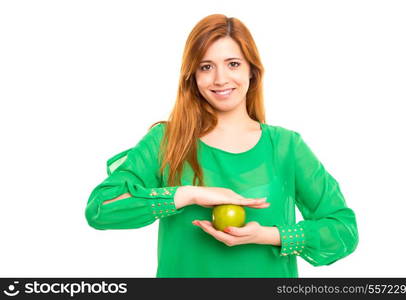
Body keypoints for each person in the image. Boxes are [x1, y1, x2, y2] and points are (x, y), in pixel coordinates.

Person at [85, 14, 359, 278]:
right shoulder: (166, 140)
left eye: (233, 64)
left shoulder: (286, 146)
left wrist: (267, 235)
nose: (220, 79)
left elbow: (343, 230)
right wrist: (187, 195)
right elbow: (100, 209)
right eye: (206, 66)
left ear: (252, 70)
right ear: (192, 76)